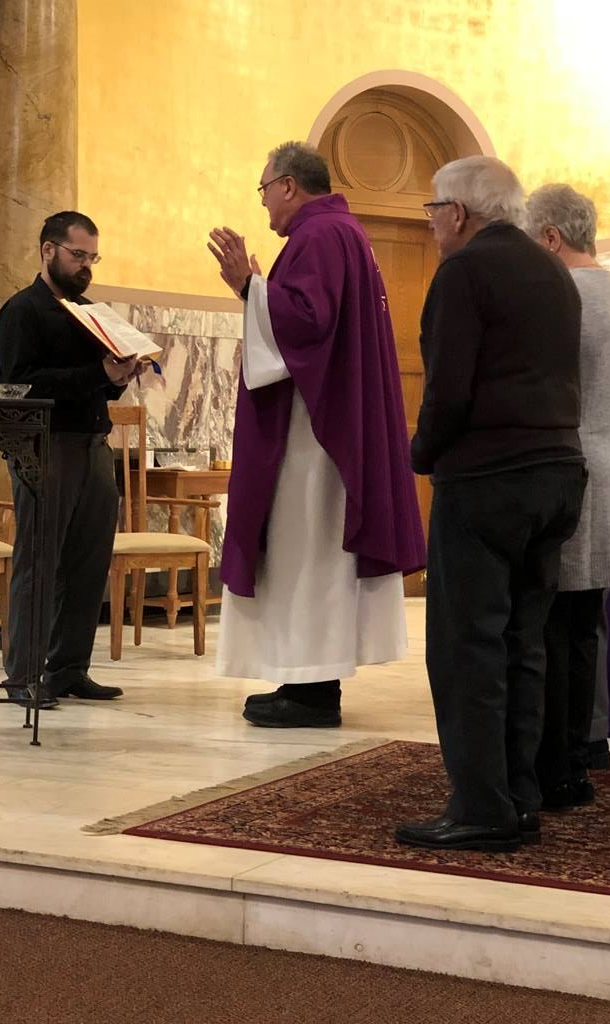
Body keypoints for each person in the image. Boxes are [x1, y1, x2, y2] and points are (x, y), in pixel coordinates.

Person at [395, 157, 586, 853]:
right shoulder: (552, 270)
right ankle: (519, 796)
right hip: (556, 473)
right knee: (522, 642)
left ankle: (481, 806)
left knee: (466, 646)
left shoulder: (465, 271)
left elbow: (449, 388)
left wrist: (420, 452)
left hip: (488, 479)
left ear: (459, 212)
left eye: (433, 209)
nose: (431, 222)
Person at [207, 141, 425, 729]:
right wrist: (257, 291)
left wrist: (249, 288)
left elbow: (307, 323)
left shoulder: (321, 234)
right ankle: (305, 682)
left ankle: (311, 690)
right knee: (311, 551)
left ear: (287, 185)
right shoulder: (338, 231)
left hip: (313, 433)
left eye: (264, 189)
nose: (263, 204)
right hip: (326, 422)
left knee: (307, 550)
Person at [0, 211, 139, 708]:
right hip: (45, 446)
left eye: (92, 257)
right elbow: (18, 384)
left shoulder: (91, 313)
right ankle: (23, 675)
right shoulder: (22, 311)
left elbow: (98, 384)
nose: (86, 266)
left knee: (88, 562)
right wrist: (97, 373)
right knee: (39, 561)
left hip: (94, 444)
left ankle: (69, 669)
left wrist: (117, 377)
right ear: (48, 250)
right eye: (78, 255)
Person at [526, 184, 610, 804]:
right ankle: (584, 747)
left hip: (571, 461)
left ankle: (557, 760)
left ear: (552, 237)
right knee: (586, 621)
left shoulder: (563, 297)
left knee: (554, 621)